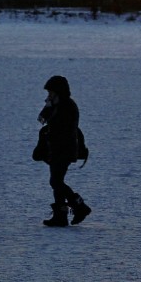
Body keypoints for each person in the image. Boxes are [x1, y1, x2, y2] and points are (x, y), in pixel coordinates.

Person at [35, 75, 90, 227]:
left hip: (64, 150)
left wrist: (51, 109)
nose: (48, 96)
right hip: (56, 150)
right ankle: (61, 215)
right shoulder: (57, 105)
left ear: (58, 92)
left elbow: (61, 128)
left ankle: (80, 207)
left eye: (51, 93)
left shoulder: (67, 106)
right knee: (56, 181)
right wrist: (48, 108)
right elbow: (42, 120)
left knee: (56, 181)